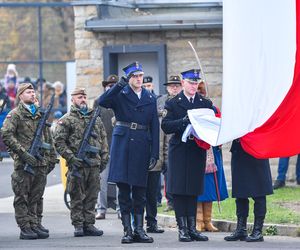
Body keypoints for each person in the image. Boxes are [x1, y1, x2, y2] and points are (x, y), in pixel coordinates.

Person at [98, 62, 159, 244]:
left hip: (141, 144)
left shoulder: (149, 96)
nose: (139, 79)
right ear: (128, 78)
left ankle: (139, 229)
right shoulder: (120, 93)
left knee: (140, 190)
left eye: (141, 75)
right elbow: (102, 102)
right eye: (135, 76)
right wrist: (119, 85)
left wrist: (154, 152)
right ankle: (127, 230)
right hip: (123, 143)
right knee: (124, 190)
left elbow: (154, 126)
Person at [161, 69, 212, 242]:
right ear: (183, 83)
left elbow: (212, 122)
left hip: (197, 149)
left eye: (196, 82)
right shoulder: (173, 103)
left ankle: (192, 227)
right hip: (180, 149)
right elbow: (166, 126)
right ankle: (182, 228)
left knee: (193, 188)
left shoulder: (204, 103)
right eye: (190, 82)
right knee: (179, 190)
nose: (193, 85)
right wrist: (184, 121)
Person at [1, 83, 54, 240]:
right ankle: (25, 227)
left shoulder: (39, 114)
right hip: (24, 163)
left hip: (40, 162)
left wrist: (50, 157)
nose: (32, 94)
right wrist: (23, 154)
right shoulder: (15, 114)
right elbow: (7, 135)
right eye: (28, 92)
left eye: (33, 92)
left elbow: (47, 137)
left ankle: (34, 223)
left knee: (37, 195)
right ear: (20, 96)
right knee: (22, 196)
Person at [54, 87, 109, 237]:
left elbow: (103, 140)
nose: (82, 99)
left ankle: (89, 224)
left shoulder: (95, 119)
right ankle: (78, 225)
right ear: (72, 99)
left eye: (84, 96)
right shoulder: (66, 120)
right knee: (77, 196)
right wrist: (71, 157)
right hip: (77, 165)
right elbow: (59, 142)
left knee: (92, 196)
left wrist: (103, 159)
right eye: (79, 97)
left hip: (94, 165)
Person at [224, 139, 273, 242]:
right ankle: (241, 229)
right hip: (239, 150)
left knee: (259, 193)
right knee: (240, 193)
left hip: (256, 149)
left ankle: (257, 231)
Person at [196, 81, 228, 232]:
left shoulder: (213, 108)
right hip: (198, 151)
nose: (202, 95)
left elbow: (221, 126)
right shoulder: (193, 109)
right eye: (199, 93)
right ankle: (198, 220)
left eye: (203, 93)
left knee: (209, 188)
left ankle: (207, 221)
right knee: (198, 187)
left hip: (212, 153)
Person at [143, 74, 164, 234]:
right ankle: (134, 224)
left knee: (151, 193)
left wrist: (159, 156)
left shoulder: (158, 107)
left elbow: (161, 135)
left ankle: (152, 222)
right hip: (138, 155)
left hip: (154, 156)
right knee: (136, 192)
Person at [158, 75, 182, 212]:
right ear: (167, 87)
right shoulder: (160, 100)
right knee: (167, 174)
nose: (174, 88)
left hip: (178, 140)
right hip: (163, 141)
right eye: (171, 85)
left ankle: (179, 201)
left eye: (177, 85)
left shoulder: (183, 100)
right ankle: (170, 201)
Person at [96, 74, 119, 220]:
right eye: (109, 85)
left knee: (119, 181)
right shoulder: (99, 102)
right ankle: (101, 209)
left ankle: (120, 209)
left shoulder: (123, 101)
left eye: (114, 85)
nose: (111, 87)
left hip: (118, 146)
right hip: (103, 147)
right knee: (102, 181)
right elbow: (94, 124)